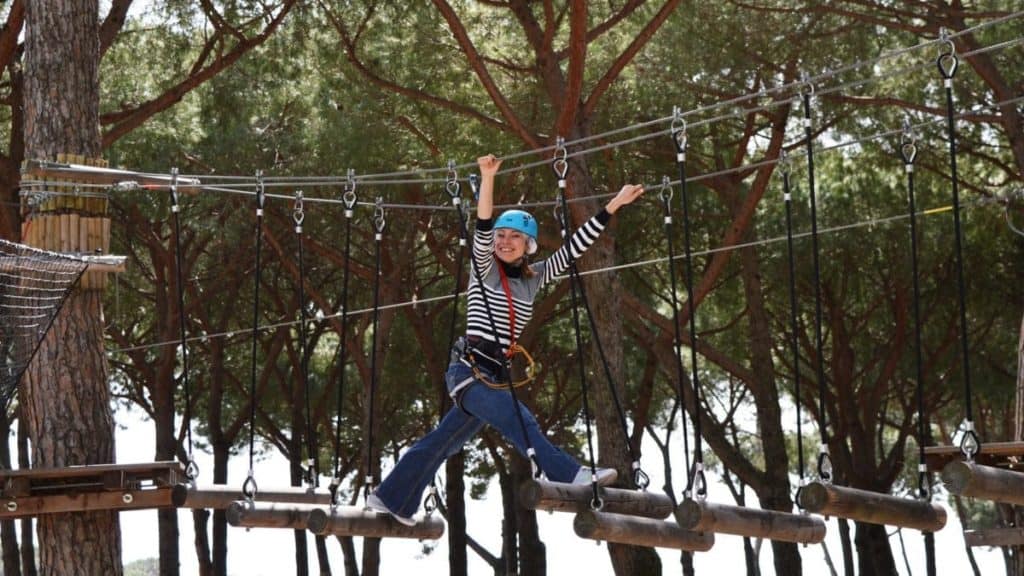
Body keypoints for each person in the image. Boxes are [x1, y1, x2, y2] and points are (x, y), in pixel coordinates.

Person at [368, 154, 645, 526]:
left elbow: (575, 248)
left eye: (514, 236)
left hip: (494, 375)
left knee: (443, 443)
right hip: (468, 371)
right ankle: (567, 472)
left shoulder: (534, 277)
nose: (505, 241)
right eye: (501, 235)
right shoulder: (484, 269)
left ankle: (392, 498)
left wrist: (612, 206)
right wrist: (487, 178)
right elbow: (482, 226)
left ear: (528, 244)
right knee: (520, 418)